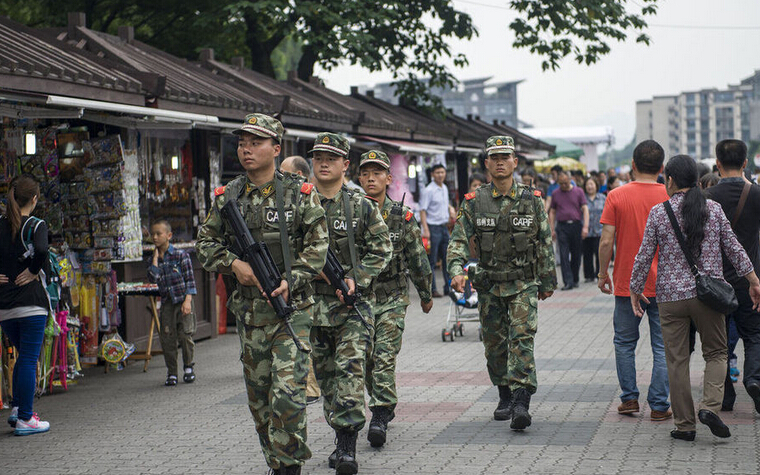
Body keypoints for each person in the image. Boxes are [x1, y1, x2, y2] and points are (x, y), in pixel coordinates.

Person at [196, 113, 329, 475]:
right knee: (260, 401)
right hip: (252, 316)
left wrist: (294, 277)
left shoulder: (300, 193)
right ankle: (277, 460)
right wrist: (233, 264)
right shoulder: (229, 196)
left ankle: (288, 467)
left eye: (255, 142)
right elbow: (205, 244)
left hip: (294, 311)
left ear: (276, 148)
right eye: (242, 142)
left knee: (286, 396)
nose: (247, 149)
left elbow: (319, 246)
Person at [630, 154, 760, 441]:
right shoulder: (713, 209)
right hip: (709, 297)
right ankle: (711, 407)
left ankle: (685, 425)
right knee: (716, 353)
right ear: (698, 181)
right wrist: (753, 280)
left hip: (670, 298)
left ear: (671, 180)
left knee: (676, 360)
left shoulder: (659, 212)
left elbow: (643, 257)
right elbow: (735, 248)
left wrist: (635, 289)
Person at [448, 136, 557, 431]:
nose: (499, 162)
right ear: (486, 164)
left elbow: (545, 241)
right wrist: (456, 269)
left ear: (514, 162)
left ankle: (522, 401)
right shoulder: (475, 202)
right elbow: (458, 239)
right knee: (495, 345)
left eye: (504, 157)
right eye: (493, 157)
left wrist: (548, 279)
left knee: (521, 339)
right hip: (489, 285)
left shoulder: (532, 201)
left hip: (523, 284)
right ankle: (504, 394)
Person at [308, 133, 392, 474]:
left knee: (350, 374)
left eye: (331, 157)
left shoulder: (361, 206)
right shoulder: (300, 205)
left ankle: (347, 446)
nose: (324, 163)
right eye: (318, 157)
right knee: (327, 380)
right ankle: (339, 432)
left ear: (345, 165)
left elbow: (382, 248)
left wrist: (357, 276)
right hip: (312, 308)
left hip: (352, 308)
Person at [358, 150, 432, 448]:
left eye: (378, 173)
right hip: (359, 300)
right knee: (365, 360)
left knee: (384, 356)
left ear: (389, 179)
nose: (372, 178)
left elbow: (417, 256)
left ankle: (379, 413)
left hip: (392, 298)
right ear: (359, 178)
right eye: (366, 173)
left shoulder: (401, 216)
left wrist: (425, 294)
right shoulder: (351, 213)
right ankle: (382, 402)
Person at [598, 140, 671, 422]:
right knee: (663, 347)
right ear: (662, 168)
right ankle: (659, 404)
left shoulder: (616, 196)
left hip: (628, 283)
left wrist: (603, 273)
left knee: (624, 343)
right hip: (665, 285)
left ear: (633, 165)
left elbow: (606, 241)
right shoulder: (670, 195)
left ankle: (629, 398)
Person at [704, 139, 760, 414]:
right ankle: (753, 379)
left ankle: (725, 398)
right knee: (755, 335)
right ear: (745, 163)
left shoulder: (707, 198)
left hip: (716, 284)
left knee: (719, 343)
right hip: (751, 280)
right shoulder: (757, 194)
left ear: (717, 164)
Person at [0, 174, 50, 436]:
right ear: (34, 198)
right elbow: (41, 250)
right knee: (29, 359)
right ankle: (26, 419)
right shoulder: (36, 224)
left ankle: (18, 408)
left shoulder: (1, 225)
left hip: (5, 307)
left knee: (23, 357)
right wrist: (33, 271)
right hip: (30, 304)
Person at [280, 155, 322, 405]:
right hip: (298, 284)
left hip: (318, 283)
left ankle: (314, 386)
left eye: (285, 174)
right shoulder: (283, 201)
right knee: (303, 337)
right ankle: (309, 387)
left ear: (300, 177)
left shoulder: (311, 200)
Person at [147, 220, 197, 386]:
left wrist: (188, 301)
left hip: (183, 300)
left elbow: (190, 280)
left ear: (168, 235)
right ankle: (172, 372)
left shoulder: (180, 255)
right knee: (167, 338)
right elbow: (153, 278)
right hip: (167, 303)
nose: (155, 237)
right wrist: (155, 258)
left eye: (158, 234)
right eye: (152, 234)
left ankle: (188, 367)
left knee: (185, 335)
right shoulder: (153, 259)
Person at [548, 171, 589, 290]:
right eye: (561, 183)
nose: (563, 186)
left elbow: (585, 209)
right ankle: (568, 281)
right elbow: (552, 211)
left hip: (576, 225)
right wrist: (551, 229)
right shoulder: (556, 193)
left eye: (565, 183)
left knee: (576, 254)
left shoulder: (579, 191)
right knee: (564, 255)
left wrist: (585, 227)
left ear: (570, 180)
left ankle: (575, 278)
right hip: (562, 227)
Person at [420, 163, 451, 298]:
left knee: (447, 259)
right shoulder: (428, 190)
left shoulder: (444, 188)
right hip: (432, 228)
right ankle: (432, 289)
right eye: (437, 172)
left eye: (442, 172)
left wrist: (451, 209)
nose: (440, 175)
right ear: (432, 174)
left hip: (444, 227)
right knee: (431, 261)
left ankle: (448, 287)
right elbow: (422, 210)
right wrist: (425, 229)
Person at [582, 178, 605, 283]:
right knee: (587, 254)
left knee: (599, 253)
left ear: (596, 185)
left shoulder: (602, 198)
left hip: (599, 230)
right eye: (587, 184)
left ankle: (598, 274)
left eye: (591, 184)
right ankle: (588, 275)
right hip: (586, 231)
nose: (589, 187)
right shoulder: (582, 198)